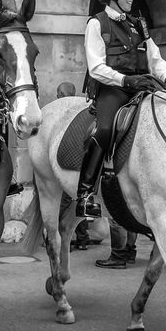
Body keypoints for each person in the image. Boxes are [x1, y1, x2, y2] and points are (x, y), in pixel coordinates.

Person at [77, 0, 166, 219]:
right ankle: (86, 193)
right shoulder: (97, 24)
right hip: (113, 90)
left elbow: (155, 58)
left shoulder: (138, 24)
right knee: (105, 129)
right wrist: (125, 80)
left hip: (143, 86)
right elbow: (96, 67)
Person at [54, 82, 98, 251]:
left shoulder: (69, 112)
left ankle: (65, 238)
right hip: (81, 166)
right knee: (77, 203)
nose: (58, 96)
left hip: (70, 166)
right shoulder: (84, 111)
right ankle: (82, 237)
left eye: (60, 93)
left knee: (65, 203)